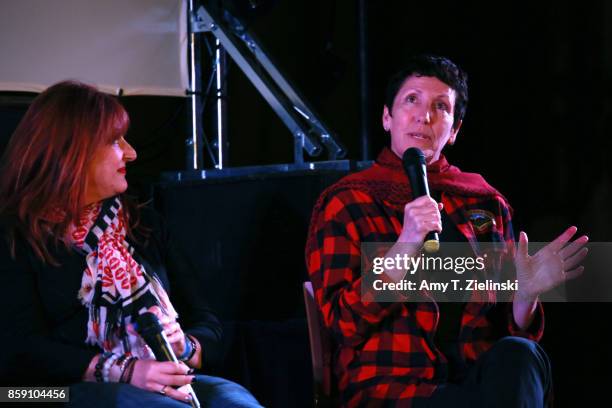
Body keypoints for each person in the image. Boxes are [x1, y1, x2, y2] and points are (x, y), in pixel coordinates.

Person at [305, 55, 589, 407]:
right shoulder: (348, 202)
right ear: (386, 117)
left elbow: (507, 329)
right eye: (412, 100)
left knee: (520, 354)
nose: (424, 116)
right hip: (394, 387)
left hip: (475, 378)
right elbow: (342, 325)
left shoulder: (484, 204)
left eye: (440, 107)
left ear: (453, 130)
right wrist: (406, 243)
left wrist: (524, 297)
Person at [0, 81, 262, 407]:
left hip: (156, 381)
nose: (131, 153)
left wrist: (185, 346)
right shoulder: (15, 233)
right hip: (41, 394)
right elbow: (16, 351)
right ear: (72, 153)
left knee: (233, 400)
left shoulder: (143, 224)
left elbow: (208, 322)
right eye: (113, 142)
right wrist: (124, 370)